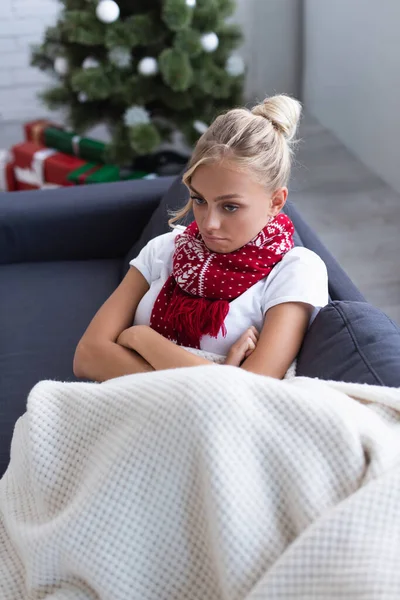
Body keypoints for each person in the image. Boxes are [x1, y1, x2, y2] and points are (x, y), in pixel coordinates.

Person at [73, 95, 328, 382]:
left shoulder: (295, 270)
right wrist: (220, 376)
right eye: (199, 200)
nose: (209, 223)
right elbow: (87, 356)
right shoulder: (164, 250)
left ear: (276, 202)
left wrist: (142, 338)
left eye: (230, 206)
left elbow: (253, 391)